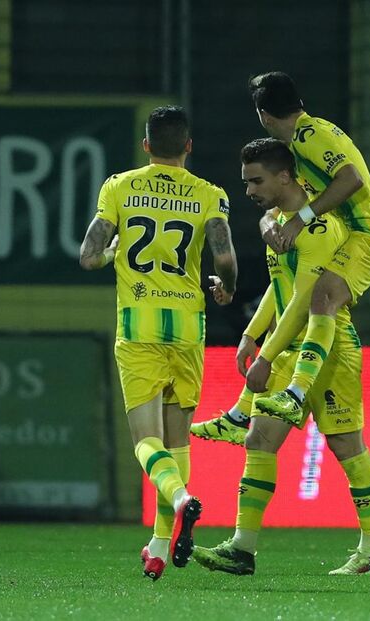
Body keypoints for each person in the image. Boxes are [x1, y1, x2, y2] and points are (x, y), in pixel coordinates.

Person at [192, 138, 370, 576]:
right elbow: (279, 289)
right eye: (245, 182)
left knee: (345, 447)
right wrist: (250, 335)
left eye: (256, 180)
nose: (249, 190)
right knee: (259, 442)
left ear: (285, 176)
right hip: (287, 347)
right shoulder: (281, 225)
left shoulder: (319, 231)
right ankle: (242, 549)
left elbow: (304, 302)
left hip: (328, 348)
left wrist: (265, 356)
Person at [79, 106, 238, 581]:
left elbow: (88, 256)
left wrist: (111, 253)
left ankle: (180, 498)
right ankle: (158, 545)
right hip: (189, 327)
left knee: (147, 443)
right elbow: (225, 257)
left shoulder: (119, 186)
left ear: (146, 146)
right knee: (177, 439)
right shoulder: (211, 195)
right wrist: (226, 289)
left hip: (139, 326)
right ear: (188, 146)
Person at [244, 71, 370, 426]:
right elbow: (279, 203)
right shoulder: (302, 142)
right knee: (312, 297)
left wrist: (300, 220)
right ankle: (248, 411)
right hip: (349, 235)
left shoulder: (310, 136)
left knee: (320, 298)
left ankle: (295, 394)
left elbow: (351, 179)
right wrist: (270, 224)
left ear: (263, 116)